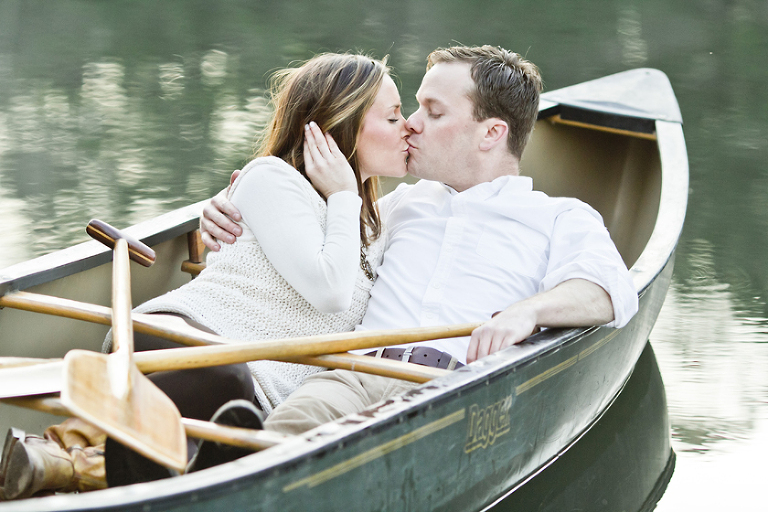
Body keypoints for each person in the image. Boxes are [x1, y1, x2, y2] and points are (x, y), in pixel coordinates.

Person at [0, 52, 410, 499]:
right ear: (335, 127)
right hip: (180, 337)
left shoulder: (372, 225)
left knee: (236, 415)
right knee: (227, 379)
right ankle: (61, 448)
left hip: (253, 391)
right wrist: (345, 194)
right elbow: (330, 291)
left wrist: (347, 201)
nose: (407, 125)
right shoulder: (275, 179)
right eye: (392, 117)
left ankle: (90, 472)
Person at [201, 45, 639, 436]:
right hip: (353, 373)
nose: (410, 124)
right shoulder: (400, 205)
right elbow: (307, 212)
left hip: (456, 390)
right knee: (282, 436)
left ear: (491, 133)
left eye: (433, 112)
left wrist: (529, 312)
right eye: (413, 109)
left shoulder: (558, 216)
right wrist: (225, 201)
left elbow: (605, 289)